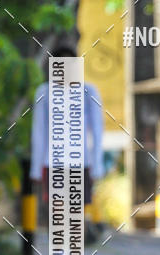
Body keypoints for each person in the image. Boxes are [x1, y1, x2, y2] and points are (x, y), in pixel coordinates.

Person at [30, 42, 104, 242]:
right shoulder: (44, 92)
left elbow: (97, 131)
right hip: (52, 163)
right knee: (57, 211)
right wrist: (36, 169)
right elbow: (39, 131)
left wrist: (97, 166)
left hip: (80, 163)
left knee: (75, 211)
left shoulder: (88, 92)